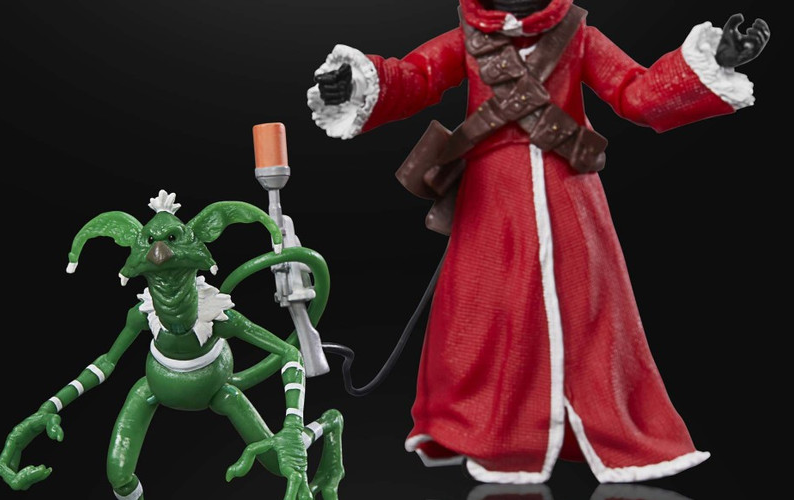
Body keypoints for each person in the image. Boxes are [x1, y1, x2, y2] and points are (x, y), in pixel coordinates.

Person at [306, 0, 769, 484]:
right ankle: (485, 430)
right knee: (484, 314)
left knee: (589, 312)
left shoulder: (577, 34)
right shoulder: (468, 39)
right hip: (491, 199)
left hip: (569, 195)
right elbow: (416, 77)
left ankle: (596, 424)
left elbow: (636, 92)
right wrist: (354, 82)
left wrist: (715, 61)